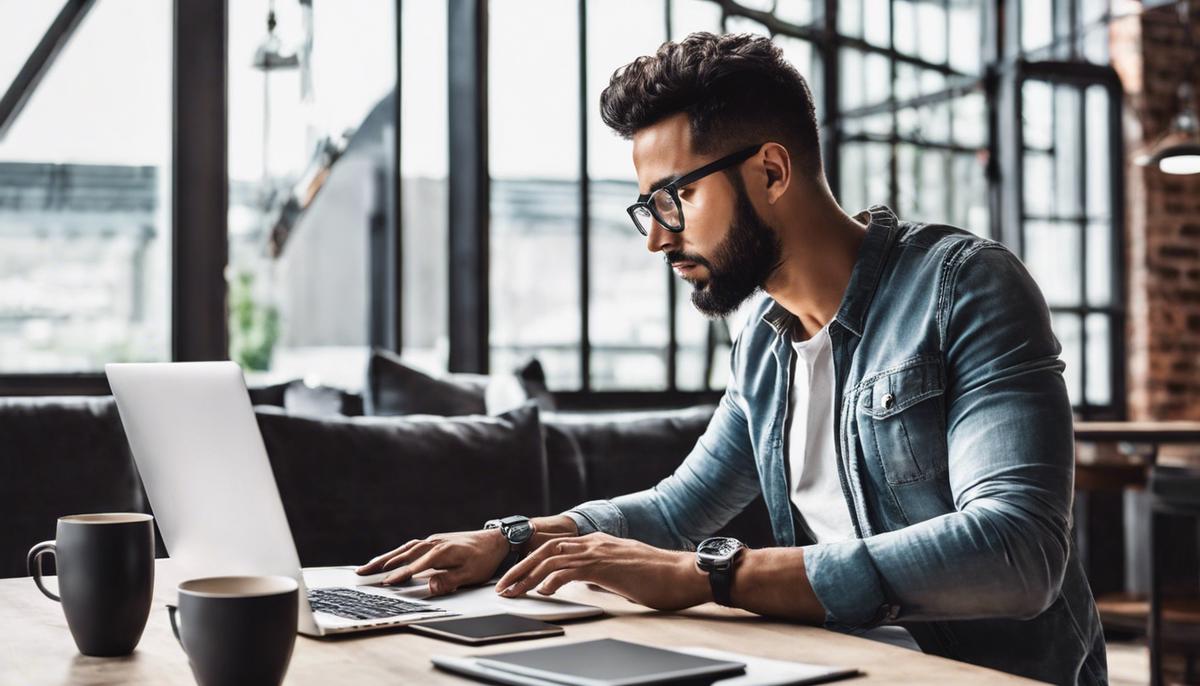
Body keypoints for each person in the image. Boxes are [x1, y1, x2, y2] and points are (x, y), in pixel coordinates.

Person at [357, 32, 1106, 685]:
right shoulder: (766, 345)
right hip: (849, 663)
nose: (657, 237)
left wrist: (714, 575)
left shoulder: (963, 287)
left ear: (772, 172)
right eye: (647, 208)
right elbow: (678, 511)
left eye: (673, 198)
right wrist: (511, 540)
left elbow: (1016, 550)